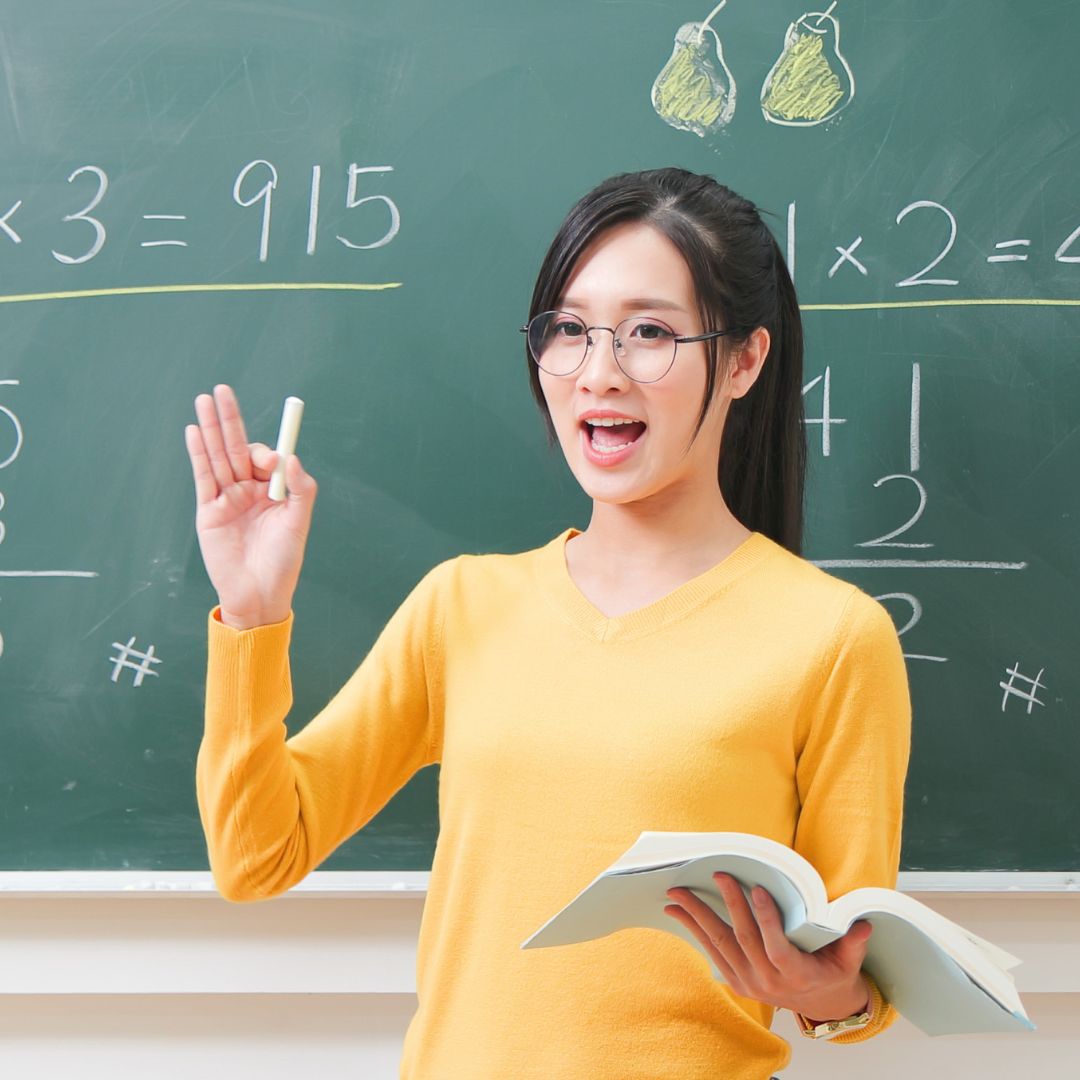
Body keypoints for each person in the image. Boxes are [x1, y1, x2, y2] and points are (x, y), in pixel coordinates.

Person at [185, 167, 911, 1079]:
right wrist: (253, 614)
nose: (599, 373)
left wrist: (826, 999)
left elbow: (857, 973)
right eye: (569, 329)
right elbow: (257, 856)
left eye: (649, 332)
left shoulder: (834, 638)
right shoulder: (463, 605)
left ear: (744, 360)